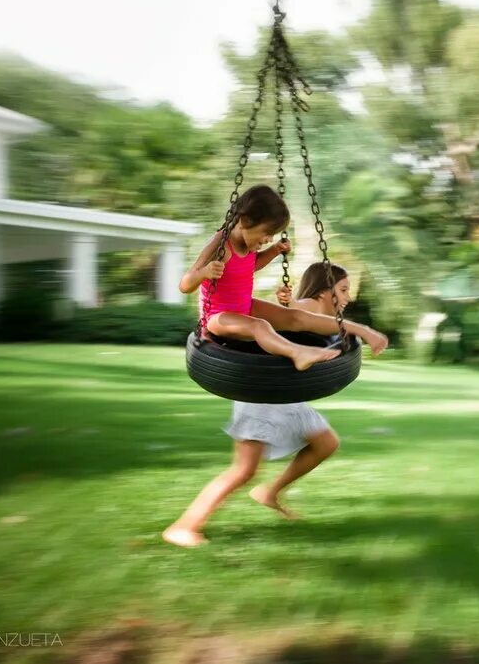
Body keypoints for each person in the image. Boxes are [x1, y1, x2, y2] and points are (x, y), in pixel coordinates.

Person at [162, 185, 389, 548]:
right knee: (244, 466)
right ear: (244, 220)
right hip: (220, 318)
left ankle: (268, 494)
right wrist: (205, 270)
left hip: (246, 311)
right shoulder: (221, 240)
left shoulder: (250, 244)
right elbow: (186, 283)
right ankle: (183, 526)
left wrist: (272, 251)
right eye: (263, 234)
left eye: (270, 236)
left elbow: (252, 266)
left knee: (292, 320)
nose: (264, 240)